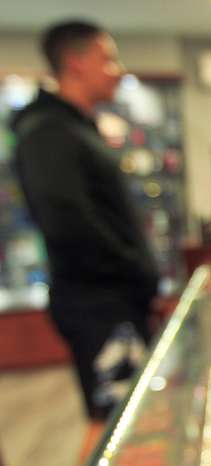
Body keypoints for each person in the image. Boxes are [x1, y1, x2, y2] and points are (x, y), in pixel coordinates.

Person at [11, 20, 158, 422]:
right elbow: (69, 224)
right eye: (106, 59)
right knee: (116, 424)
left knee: (125, 419)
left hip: (114, 301)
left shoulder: (74, 129)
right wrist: (132, 268)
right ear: (75, 64)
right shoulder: (50, 133)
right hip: (100, 306)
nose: (117, 69)